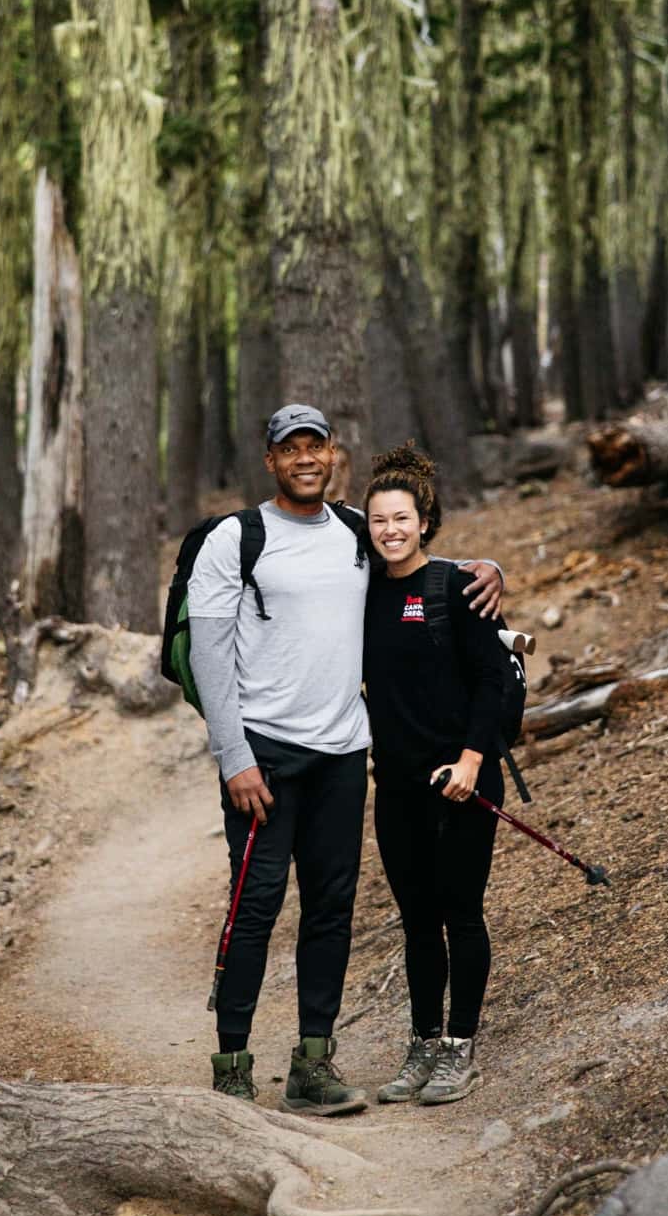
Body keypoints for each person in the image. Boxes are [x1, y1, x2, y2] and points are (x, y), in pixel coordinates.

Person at [191, 404, 504, 1110]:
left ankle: (312, 1064)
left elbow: (423, 555)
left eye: (315, 445)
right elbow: (210, 656)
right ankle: (232, 1066)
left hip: (341, 755)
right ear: (269, 459)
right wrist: (232, 754)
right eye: (288, 447)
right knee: (256, 906)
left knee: (331, 909)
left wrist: (491, 568)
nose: (304, 457)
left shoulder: (357, 533)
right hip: (263, 759)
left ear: (332, 454)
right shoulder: (233, 539)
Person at [361, 444, 525, 1106]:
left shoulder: (459, 586)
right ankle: (422, 1043)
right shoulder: (363, 590)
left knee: (461, 912)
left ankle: (460, 1047)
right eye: (379, 521)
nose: (390, 530)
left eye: (402, 518)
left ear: (425, 519)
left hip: (463, 783)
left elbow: (497, 680)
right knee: (417, 918)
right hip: (397, 787)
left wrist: (472, 760)